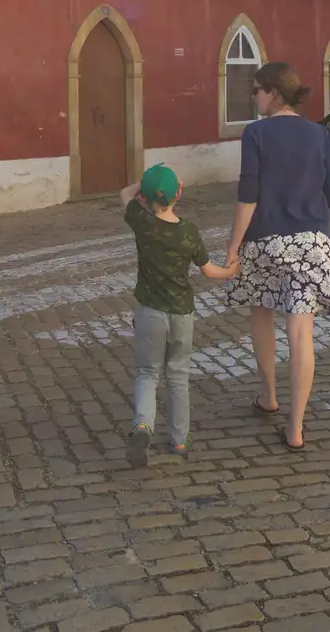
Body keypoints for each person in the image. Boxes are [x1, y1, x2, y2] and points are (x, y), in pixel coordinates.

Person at [225, 62, 330, 452]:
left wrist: (232, 249)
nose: (254, 95)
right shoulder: (319, 134)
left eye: (258, 89)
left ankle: (268, 396)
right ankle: (295, 428)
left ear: (274, 94)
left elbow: (249, 195)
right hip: (311, 244)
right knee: (302, 336)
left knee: (261, 314)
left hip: (264, 241)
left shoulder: (255, 133)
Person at [119, 164, 236, 467]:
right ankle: (180, 439)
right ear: (178, 195)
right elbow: (210, 272)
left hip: (150, 312)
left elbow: (124, 194)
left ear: (145, 199)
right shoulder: (189, 232)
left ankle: (143, 425)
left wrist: (143, 187)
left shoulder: (141, 222)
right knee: (178, 376)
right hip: (182, 313)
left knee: (147, 372)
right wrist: (231, 271)